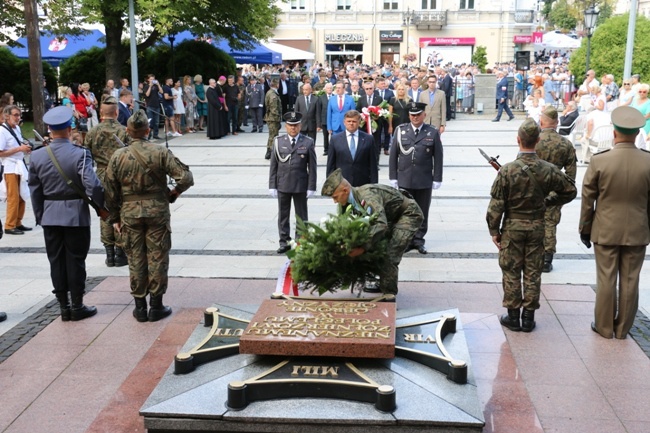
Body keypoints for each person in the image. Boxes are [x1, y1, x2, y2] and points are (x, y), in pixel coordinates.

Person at [487, 118, 577, 333]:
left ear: (518, 140)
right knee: (533, 272)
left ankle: (513, 317)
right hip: (537, 227)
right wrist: (548, 201)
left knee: (510, 271)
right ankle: (528, 318)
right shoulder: (549, 169)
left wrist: (494, 231)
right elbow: (570, 191)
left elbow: (495, 207)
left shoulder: (507, 171)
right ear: (537, 140)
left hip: (512, 227)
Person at [104, 110, 194, 322]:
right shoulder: (159, 152)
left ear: (127, 131)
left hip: (130, 213)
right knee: (157, 257)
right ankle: (156, 305)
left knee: (135, 257)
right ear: (148, 130)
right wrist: (175, 192)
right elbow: (186, 177)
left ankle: (140, 307)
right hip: (157, 213)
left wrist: (115, 218)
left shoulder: (118, 156)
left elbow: (109, 191)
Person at [579, 106, 650, 339]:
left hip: (606, 229)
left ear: (614, 133)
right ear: (637, 133)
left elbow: (588, 200)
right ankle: (622, 329)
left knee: (606, 279)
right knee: (630, 280)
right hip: (638, 229)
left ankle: (604, 327)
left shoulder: (600, 161)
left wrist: (585, 229)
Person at [28, 105, 104, 321]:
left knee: (56, 261)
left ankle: (63, 307)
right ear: (70, 129)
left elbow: (35, 191)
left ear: (50, 130)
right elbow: (93, 186)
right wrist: (100, 207)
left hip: (50, 215)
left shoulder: (37, 156)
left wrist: (41, 215)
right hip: (75, 215)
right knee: (76, 260)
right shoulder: (80, 154)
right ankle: (77, 305)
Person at [321, 168, 423, 295]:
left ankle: (389, 295)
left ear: (345, 190)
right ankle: (382, 283)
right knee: (377, 247)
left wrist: (363, 247)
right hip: (390, 217)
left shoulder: (367, 195)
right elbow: (344, 227)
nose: (335, 201)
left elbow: (380, 224)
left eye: (335, 197)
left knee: (390, 255)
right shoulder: (345, 204)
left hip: (408, 214)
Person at [388, 101, 443, 254]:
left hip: (424, 179)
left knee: (422, 211)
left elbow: (438, 156)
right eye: (412, 115)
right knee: (405, 212)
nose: (415, 118)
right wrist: (393, 176)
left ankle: (418, 240)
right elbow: (393, 155)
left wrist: (437, 177)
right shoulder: (400, 131)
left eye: (418, 115)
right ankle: (406, 240)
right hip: (405, 178)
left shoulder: (432, 132)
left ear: (424, 115)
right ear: (409, 116)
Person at [83, 96, 130, 267]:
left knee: (105, 212)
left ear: (101, 113)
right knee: (120, 211)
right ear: (117, 112)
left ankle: (109, 253)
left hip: (101, 174)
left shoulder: (92, 132)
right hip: (119, 175)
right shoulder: (124, 131)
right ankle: (120, 251)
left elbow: (86, 157)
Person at [535, 106, 577, 272]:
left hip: (535, 189)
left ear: (542, 121)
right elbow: (571, 173)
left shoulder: (535, 140)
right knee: (550, 223)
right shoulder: (565, 143)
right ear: (557, 122)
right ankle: (546, 259)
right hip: (555, 190)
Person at [268, 112, 317, 254]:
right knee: (283, 215)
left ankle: (301, 241)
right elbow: (273, 166)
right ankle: (284, 242)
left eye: (296, 126)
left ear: (300, 126)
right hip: (283, 183)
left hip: (301, 184)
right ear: (285, 126)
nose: (293, 128)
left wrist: (311, 186)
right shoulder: (278, 142)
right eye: (290, 126)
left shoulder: (307, 142)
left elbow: (312, 167)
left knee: (301, 216)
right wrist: (272, 185)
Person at [0, 105, 32, 235]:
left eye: (19, 115)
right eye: (15, 115)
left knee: (22, 195)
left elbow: (19, 145)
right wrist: (19, 149)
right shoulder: (1, 131)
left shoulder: (17, 128)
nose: (18, 118)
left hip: (19, 165)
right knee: (13, 197)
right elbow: (0, 152)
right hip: (9, 167)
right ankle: (9, 225)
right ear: (7, 116)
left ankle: (18, 222)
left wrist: (25, 148)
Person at [326, 110, 377, 186]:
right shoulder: (335, 139)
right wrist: (331, 185)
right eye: (349, 121)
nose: (351, 124)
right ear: (344, 122)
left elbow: (373, 165)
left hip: (363, 184)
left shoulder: (368, 139)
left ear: (359, 122)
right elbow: (330, 165)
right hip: (341, 185)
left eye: (354, 121)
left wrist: (374, 186)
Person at [264, 78, 283, 160]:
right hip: (273, 118)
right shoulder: (273, 94)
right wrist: (278, 118)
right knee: (273, 136)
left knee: (272, 136)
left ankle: (269, 152)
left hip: (271, 117)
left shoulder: (271, 92)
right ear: (276, 84)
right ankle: (271, 152)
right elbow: (273, 108)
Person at [143, 74, 162, 140]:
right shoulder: (146, 86)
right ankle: (148, 134)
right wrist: (150, 87)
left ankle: (155, 134)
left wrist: (158, 85)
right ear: (148, 80)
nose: (152, 80)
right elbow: (147, 94)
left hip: (156, 105)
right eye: (151, 79)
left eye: (153, 79)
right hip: (150, 105)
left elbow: (161, 92)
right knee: (150, 121)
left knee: (157, 121)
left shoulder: (156, 86)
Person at [317, 82, 334, 155]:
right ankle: (326, 150)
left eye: (330, 88)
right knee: (325, 136)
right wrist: (319, 123)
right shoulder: (321, 98)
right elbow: (319, 110)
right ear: (325, 89)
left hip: (333, 120)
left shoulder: (335, 97)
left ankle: (333, 149)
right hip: (324, 120)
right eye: (328, 88)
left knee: (333, 136)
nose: (329, 89)